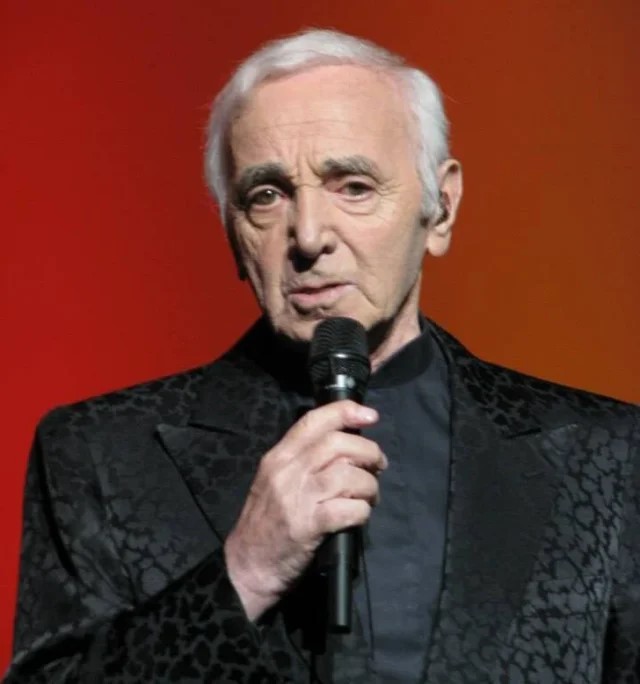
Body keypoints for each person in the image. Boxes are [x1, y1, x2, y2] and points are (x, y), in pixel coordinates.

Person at [6, 28, 640, 684]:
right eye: (267, 195)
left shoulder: (607, 455)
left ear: (441, 208)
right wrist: (244, 573)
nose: (308, 236)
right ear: (231, 231)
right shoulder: (102, 453)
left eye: (354, 187)